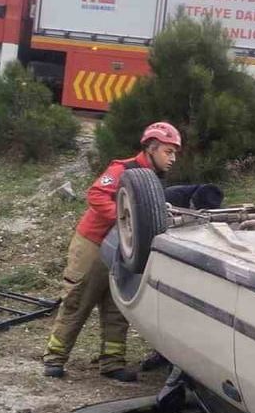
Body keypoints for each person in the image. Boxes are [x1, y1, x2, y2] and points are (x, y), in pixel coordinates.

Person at [42, 122, 182, 382]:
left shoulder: (153, 180)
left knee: (118, 304)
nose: (172, 158)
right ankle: (55, 357)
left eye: (174, 153)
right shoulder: (123, 169)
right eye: (167, 151)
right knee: (78, 299)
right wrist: (125, 218)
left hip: (122, 247)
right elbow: (96, 195)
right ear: (151, 148)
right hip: (93, 244)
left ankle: (112, 362)